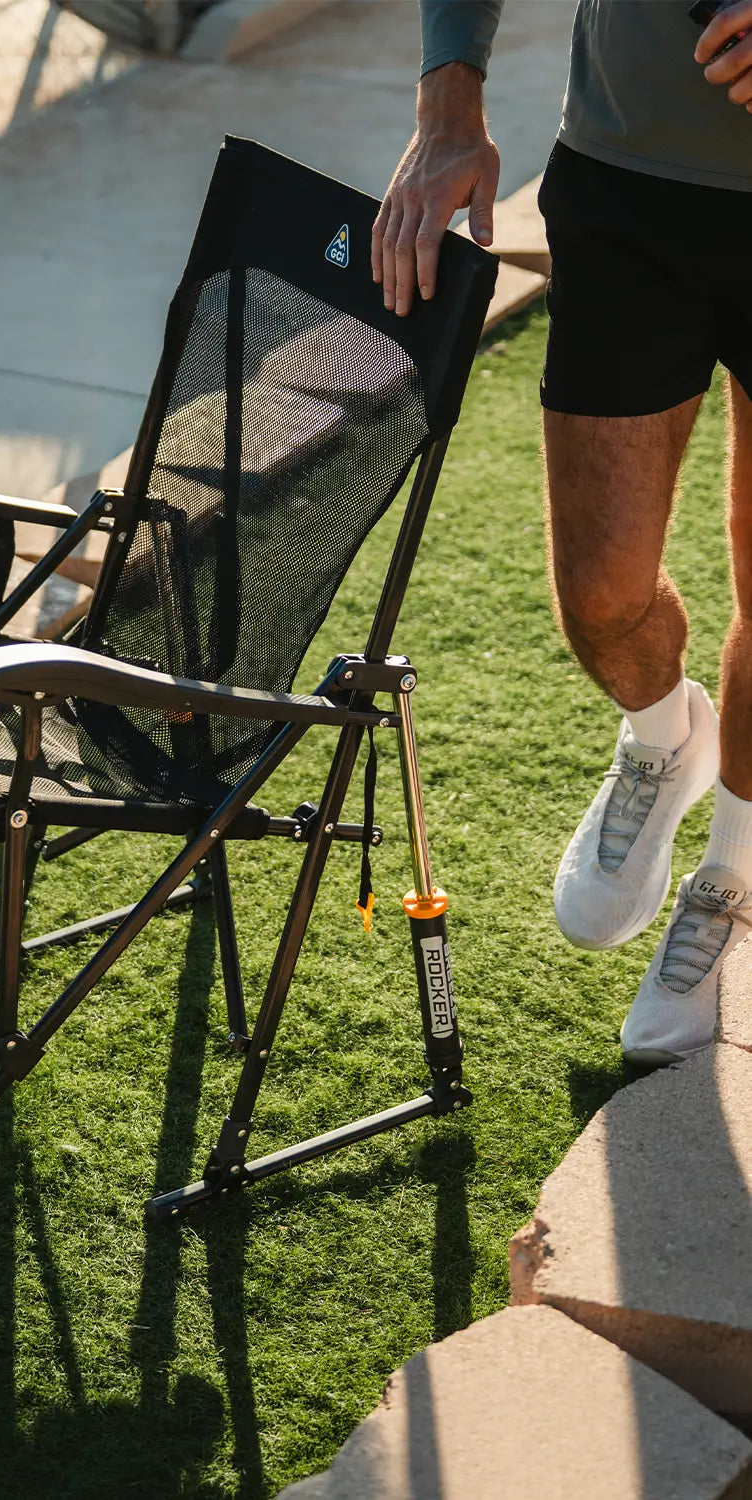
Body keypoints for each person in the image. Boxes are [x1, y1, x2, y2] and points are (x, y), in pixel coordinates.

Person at [375, 0, 752, 1064]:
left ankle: (734, 870)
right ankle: (663, 738)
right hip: (628, 176)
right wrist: (450, 98)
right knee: (599, 591)